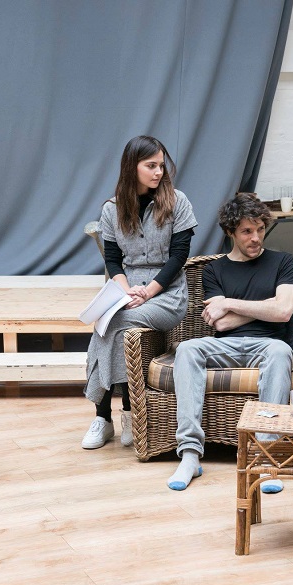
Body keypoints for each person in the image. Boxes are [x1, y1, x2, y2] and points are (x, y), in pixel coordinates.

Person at [168, 193, 293, 491]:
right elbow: (221, 323)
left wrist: (229, 302)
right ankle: (190, 455)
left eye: (260, 229)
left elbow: (284, 312)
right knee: (187, 348)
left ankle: (265, 455)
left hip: (268, 345)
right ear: (230, 232)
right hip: (224, 345)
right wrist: (267, 306)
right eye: (246, 231)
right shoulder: (214, 270)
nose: (256, 238)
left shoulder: (283, 261)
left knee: (281, 351)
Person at [83, 136, 198, 449]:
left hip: (167, 294)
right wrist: (125, 291)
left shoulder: (178, 202)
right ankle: (117, 416)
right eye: (151, 165)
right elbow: (112, 260)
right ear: (131, 167)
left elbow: (178, 257)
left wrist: (147, 292)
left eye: (161, 165)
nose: (159, 171)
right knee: (108, 323)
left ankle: (106, 413)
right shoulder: (112, 209)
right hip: (128, 288)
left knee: (112, 323)